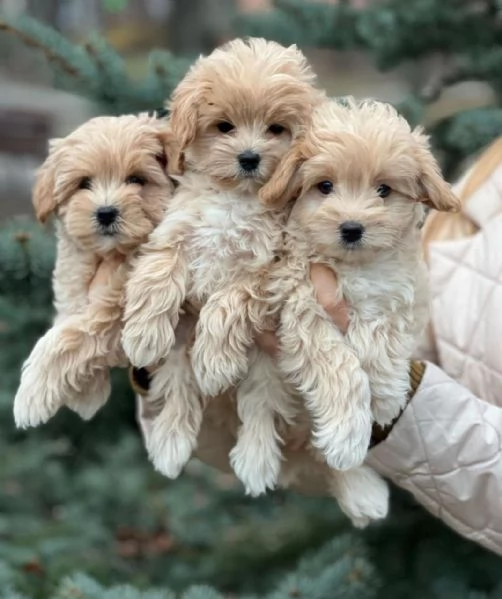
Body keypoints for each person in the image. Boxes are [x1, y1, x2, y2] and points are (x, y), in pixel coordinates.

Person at [131, 138, 502, 556]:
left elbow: (390, 413)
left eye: (382, 191)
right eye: (325, 187)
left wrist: (383, 396)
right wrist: (171, 359)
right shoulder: (492, 167)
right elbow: (323, 456)